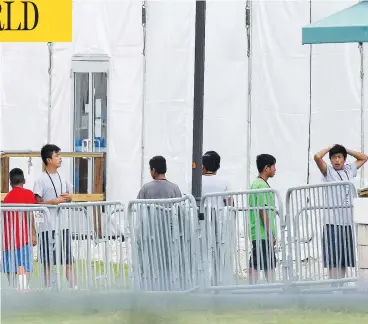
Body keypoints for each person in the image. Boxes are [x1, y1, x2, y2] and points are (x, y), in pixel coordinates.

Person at [314, 145, 368, 280]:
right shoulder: (328, 171)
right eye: (333, 157)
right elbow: (317, 157)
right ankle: (333, 286)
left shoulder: (350, 169)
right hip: (332, 221)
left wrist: (346, 150)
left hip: (347, 222)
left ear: (344, 159)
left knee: (344, 257)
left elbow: (364, 157)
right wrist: (330, 147)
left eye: (339, 157)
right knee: (333, 257)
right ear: (330, 160)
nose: (336, 160)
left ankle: (341, 285)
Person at [33, 144, 77, 288]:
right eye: (56, 155)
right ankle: (48, 290)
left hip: (63, 225)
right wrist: (54, 202)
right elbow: (37, 202)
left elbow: (70, 195)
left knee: (69, 260)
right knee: (47, 262)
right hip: (46, 227)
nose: (60, 158)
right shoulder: (40, 179)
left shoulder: (62, 177)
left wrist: (69, 198)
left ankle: (74, 288)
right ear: (48, 160)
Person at [2, 168, 37, 286]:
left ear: (10, 182)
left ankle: (13, 290)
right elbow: (30, 215)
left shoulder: (7, 198)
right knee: (23, 264)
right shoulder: (28, 194)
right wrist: (33, 233)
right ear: (24, 180)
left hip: (7, 238)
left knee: (10, 266)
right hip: (22, 236)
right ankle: (23, 289)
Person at [248, 154, 277, 284]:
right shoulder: (261, 185)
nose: (275, 169)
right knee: (264, 262)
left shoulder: (256, 183)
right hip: (262, 232)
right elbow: (262, 209)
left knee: (261, 260)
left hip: (258, 231)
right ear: (267, 168)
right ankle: (270, 288)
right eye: (273, 166)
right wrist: (270, 232)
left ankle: (264, 288)